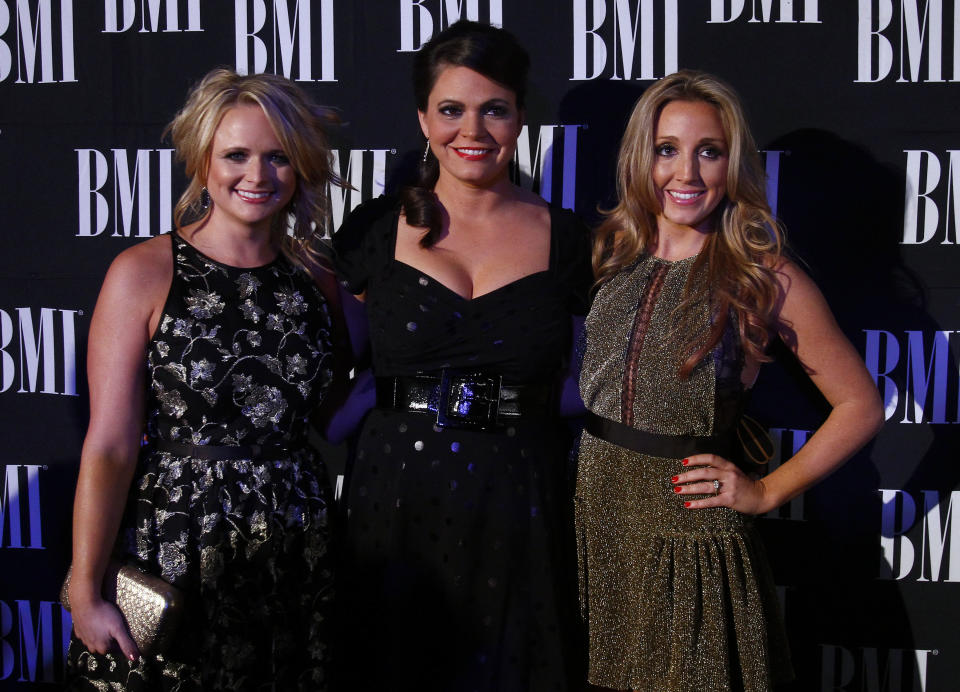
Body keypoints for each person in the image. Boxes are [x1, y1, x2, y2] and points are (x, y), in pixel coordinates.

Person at [574, 70, 884, 691]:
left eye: (707, 152)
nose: (686, 173)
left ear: (732, 164)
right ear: (642, 156)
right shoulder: (612, 252)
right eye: (668, 150)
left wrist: (767, 492)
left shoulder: (761, 275)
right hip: (599, 526)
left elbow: (860, 405)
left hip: (690, 534)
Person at [332, 20, 591, 692]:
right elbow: (322, 363)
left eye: (493, 109)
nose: (471, 130)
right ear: (423, 118)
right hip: (395, 497)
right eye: (451, 109)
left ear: (520, 117)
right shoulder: (373, 229)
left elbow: (596, 382)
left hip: (520, 498)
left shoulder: (568, 239)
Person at [65, 68, 345, 690]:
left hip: (299, 544)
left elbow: (334, 415)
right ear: (201, 159)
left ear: (300, 165)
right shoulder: (144, 271)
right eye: (236, 155)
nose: (257, 175)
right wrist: (85, 588)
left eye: (278, 157)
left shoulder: (318, 279)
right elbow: (110, 443)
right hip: (179, 538)